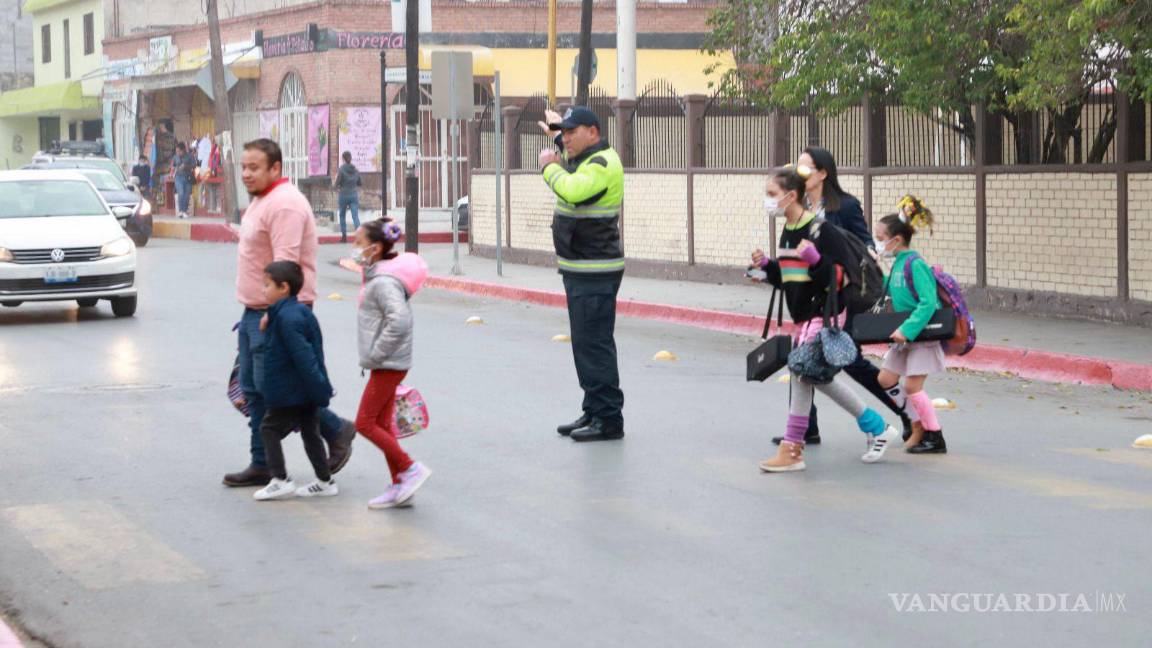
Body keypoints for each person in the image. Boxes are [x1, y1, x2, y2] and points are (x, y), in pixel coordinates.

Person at [223, 138, 357, 489]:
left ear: (276, 168)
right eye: (244, 168)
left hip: (276, 312)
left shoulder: (285, 205)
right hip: (255, 310)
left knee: (280, 392)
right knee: (254, 391)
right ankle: (262, 463)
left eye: (255, 168)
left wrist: (276, 313)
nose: (247, 174)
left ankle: (335, 428)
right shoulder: (263, 201)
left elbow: (286, 266)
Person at [753, 168, 899, 473]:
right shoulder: (788, 232)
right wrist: (767, 268)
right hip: (803, 316)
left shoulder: (821, 231)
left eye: (771, 194)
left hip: (824, 313)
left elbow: (838, 278)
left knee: (801, 371)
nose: (767, 201)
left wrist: (817, 260)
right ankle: (876, 425)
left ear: (791, 196)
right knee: (812, 375)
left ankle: (792, 449)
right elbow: (792, 278)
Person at [770, 146, 913, 447]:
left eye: (806, 168)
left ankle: (906, 413)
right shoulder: (796, 207)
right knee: (802, 357)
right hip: (811, 301)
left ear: (823, 173)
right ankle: (807, 428)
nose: (799, 172)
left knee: (850, 363)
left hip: (841, 299)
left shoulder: (844, 206)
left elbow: (862, 242)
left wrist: (869, 252)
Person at [536, 106, 626, 442]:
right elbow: (573, 165)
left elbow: (573, 190)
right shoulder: (588, 159)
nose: (566, 138)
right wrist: (558, 137)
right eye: (565, 132)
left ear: (593, 131)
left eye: (573, 132)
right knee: (585, 346)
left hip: (595, 272)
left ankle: (608, 418)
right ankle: (593, 409)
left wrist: (549, 167)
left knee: (594, 346)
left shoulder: (602, 164)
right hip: (582, 271)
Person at [352, 219, 432, 509]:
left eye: (358, 244)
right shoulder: (377, 277)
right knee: (382, 424)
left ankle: (409, 468)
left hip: (387, 363)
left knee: (364, 423)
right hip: (386, 362)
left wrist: (376, 353)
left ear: (374, 249)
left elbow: (399, 321)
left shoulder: (384, 283)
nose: (354, 249)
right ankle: (400, 482)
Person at [253, 261, 339, 501]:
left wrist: (319, 389)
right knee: (310, 433)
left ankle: (280, 479)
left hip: (292, 390)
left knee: (268, 429)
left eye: (267, 286)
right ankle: (325, 480)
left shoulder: (288, 319)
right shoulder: (290, 313)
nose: (263, 290)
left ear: (284, 288)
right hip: (301, 390)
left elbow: (305, 358)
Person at [873, 204, 949, 454]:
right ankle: (915, 423)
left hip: (920, 336)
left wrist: (907, 330)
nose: (878, 243)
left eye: (880, 239)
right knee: (886, 379)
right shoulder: (897, 263)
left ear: (896, 240)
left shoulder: (915, 263)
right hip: (903, 336)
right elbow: (892, 289)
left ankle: (934, 435)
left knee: (913, 387)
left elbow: (928, 303)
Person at [334, 151, 362, 243]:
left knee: (342, 215)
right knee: (355, 216)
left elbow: (337, 183)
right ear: (350, 158)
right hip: (353, 195)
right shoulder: (355, 170)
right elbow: (359, 183)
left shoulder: (341, 169)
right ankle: (359, 236)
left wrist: (335, 188)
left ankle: (344, 236)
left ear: (343, 159)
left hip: (343, 195)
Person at [174, 142, 197, 219]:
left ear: (183, 150)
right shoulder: (175, 157)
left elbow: (194, 165)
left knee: (187, 195)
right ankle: (180, 211)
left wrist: (186, 166)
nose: (178, 153)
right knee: (181, 193)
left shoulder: (190, 156)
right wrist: (175, 169)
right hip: (178, 177)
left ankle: (184, 211)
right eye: (176, 151)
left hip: (188, 177)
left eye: (179, 151)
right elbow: (172, 166)